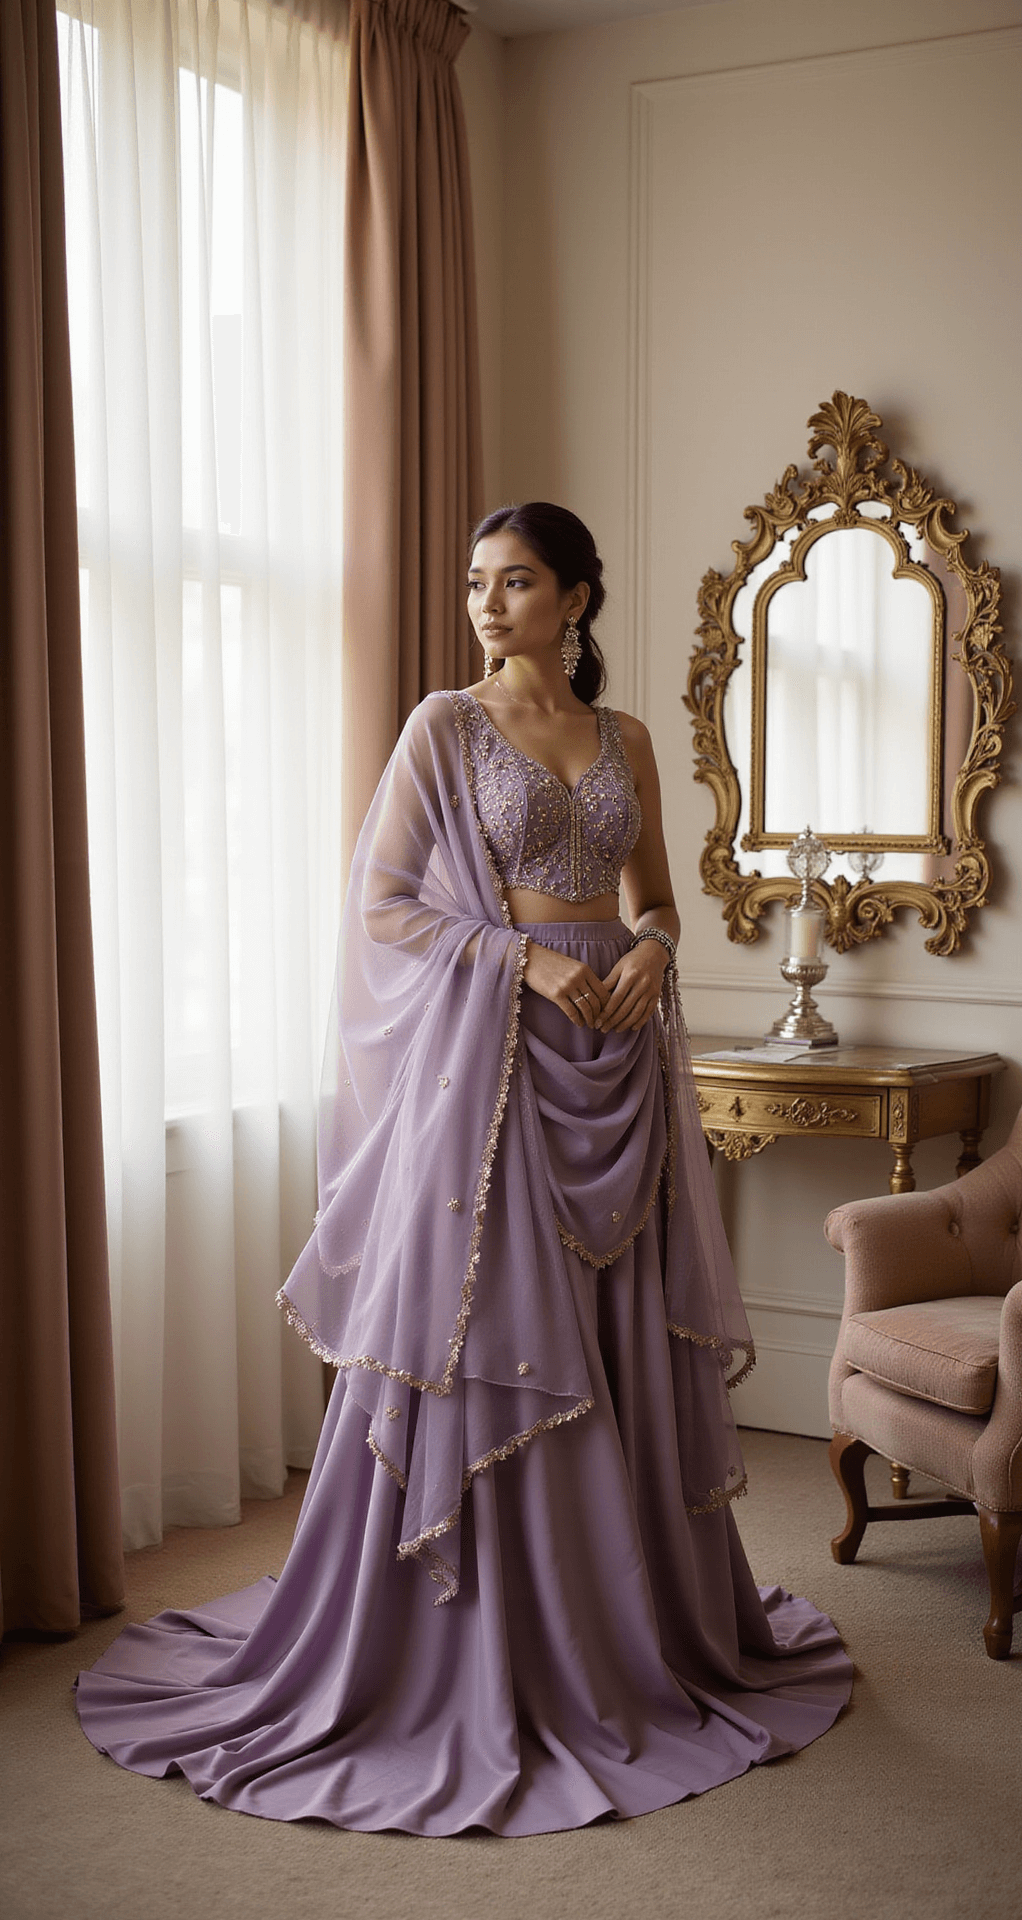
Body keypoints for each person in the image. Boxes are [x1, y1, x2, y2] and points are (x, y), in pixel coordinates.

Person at [77, 502, 851, 1836]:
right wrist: (526, 958)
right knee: (499, 1328)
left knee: (615, 1333)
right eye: (481, 584)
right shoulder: (444, 727)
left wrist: (653, 949)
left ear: (579, 598)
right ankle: (480, 1642)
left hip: (616, 1054)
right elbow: (382, 904)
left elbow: (656, 898)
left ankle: (628, 1632)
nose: (491, 605)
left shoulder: (631, 740)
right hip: (496, 1067)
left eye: (520, 583)